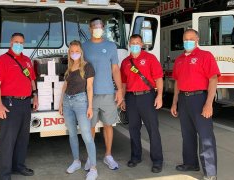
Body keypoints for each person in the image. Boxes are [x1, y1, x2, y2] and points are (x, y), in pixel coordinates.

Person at [170, 29, 220, 180]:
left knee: (205, 136)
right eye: (186, 38)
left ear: (197, 39)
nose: (188, 41)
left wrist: (208, 103)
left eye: (191, 38)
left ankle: (210, 172)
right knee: (187, 134)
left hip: (200, 99)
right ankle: (190, 163)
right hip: (184, 100)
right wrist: (174, 102)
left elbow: (213, 79)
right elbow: (177, 82)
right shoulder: (179, 59)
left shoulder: (205, 56)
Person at [0, 32, 38, 180]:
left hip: (25, 103)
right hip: (9, 104)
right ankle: (4, 174)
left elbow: (32, 80)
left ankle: (19, 166)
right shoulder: (1, 60)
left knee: (23, 138)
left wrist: (35, 96)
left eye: (21, 42)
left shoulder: (27, 61)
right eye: (16, 42)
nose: (19, 44)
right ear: (11, 43)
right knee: (8, 140)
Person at [82, 17, 123, 170]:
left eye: (99, 26)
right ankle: (90, 158)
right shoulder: (84, 47)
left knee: (108, 125)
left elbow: (115, 69)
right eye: (94, 26)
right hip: (89, 94)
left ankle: (108, 155)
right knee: (90, 127)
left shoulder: (111, 46)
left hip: (108, 93)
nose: (97, 28)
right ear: (89, 28)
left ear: (103, 28)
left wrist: (119, 90)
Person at [120, 34, 164, 173]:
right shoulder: (126, 62)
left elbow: (158, 78)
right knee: (133, 129)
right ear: (129, 44)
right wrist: (122, 98)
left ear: (142, 44)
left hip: (147, 97)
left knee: (153, 130)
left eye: (137, 42)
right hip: (131, 98)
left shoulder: (150, 58)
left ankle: (157, 161)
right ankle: (135, 157)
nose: (135, 45)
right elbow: (123, 82)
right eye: (132, 42)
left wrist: (160, 96)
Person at [59, 40, 97, 180]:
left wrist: (90, 106)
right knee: (72, 134)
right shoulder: (69, 67)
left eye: (77, 51)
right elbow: (65, 86)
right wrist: (61, 103)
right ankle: (76, 161)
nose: (74, 53)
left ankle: (93, 168)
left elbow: (89, 87)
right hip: (67, 102)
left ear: (81, 52)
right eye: (72, 51)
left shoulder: (87, 66)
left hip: (81, 102)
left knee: (87, 136)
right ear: (69, 53)